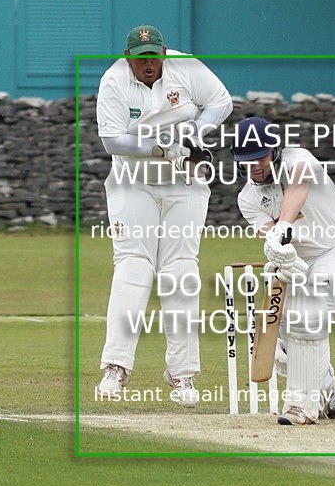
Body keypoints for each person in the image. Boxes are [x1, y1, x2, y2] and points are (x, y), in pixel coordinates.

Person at [94, 25, 232, 407]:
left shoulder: (185, 67)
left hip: (184, 181)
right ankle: (116, 366)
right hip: (132, 181)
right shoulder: (113, 81)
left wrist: (195, 132)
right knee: (133, 266)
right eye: (141, 59)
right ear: (128, 58)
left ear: (164, 52)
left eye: (154, 56)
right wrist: (159, 147)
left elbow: (221, 102)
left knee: (180, 270)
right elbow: (112, 140)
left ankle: (182, 374)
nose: (149, 64)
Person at [232, 117, 335, 425]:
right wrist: (277, 248)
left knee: (307, 315)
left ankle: (301, 407)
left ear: (275, 151)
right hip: (299, 266)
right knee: (290, 337)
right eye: (247, 160)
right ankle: (333, 401)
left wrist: (282, 226)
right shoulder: (247, 198)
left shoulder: (299, 160)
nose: (255, 166)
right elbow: (270, 234)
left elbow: (298, 189)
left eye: (260, 158)